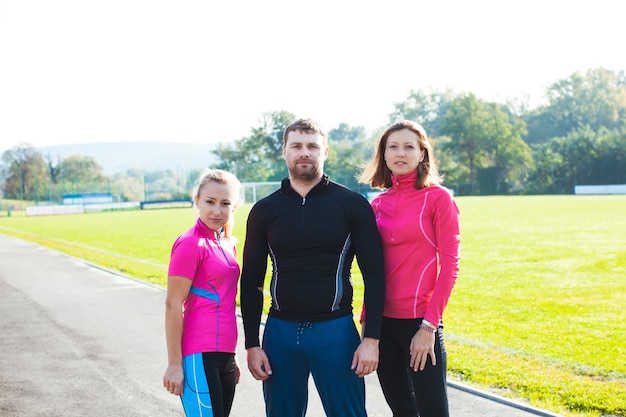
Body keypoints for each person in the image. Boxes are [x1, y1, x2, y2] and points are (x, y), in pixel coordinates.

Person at [240, 118, 386, 417]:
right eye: (296, 146)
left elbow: (375, 275)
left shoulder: (352, 204)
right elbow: (252, 279)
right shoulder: (264, 210)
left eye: (312, 146)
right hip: (279, 333)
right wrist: (252, 343)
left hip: (336, 333)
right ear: (285, 151)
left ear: (325, 152)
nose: (304, 152)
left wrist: (371, 339)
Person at [359, 120, 461, 417]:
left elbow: (451, 266)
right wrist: (368, 324)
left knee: (433, 412)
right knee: (401, 410)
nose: (400, 153)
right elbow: (373, 269)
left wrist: (429, 327)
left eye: (408, 147)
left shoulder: (438, 198)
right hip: (382, 326)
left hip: (420, 325)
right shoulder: (377, 205)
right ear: (384, 154)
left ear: (422, 153)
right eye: (393, 147)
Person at [163, 169, 242, 417]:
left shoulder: (228, 244)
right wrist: (175, 364)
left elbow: (227, 301)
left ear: (234, 206)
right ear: (197, 201)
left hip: (225, 353)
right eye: (210, 202)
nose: (216, 211)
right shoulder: (189, 243)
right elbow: (173, 305)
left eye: (225, 203)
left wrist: (233, 356)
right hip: (199, 354)